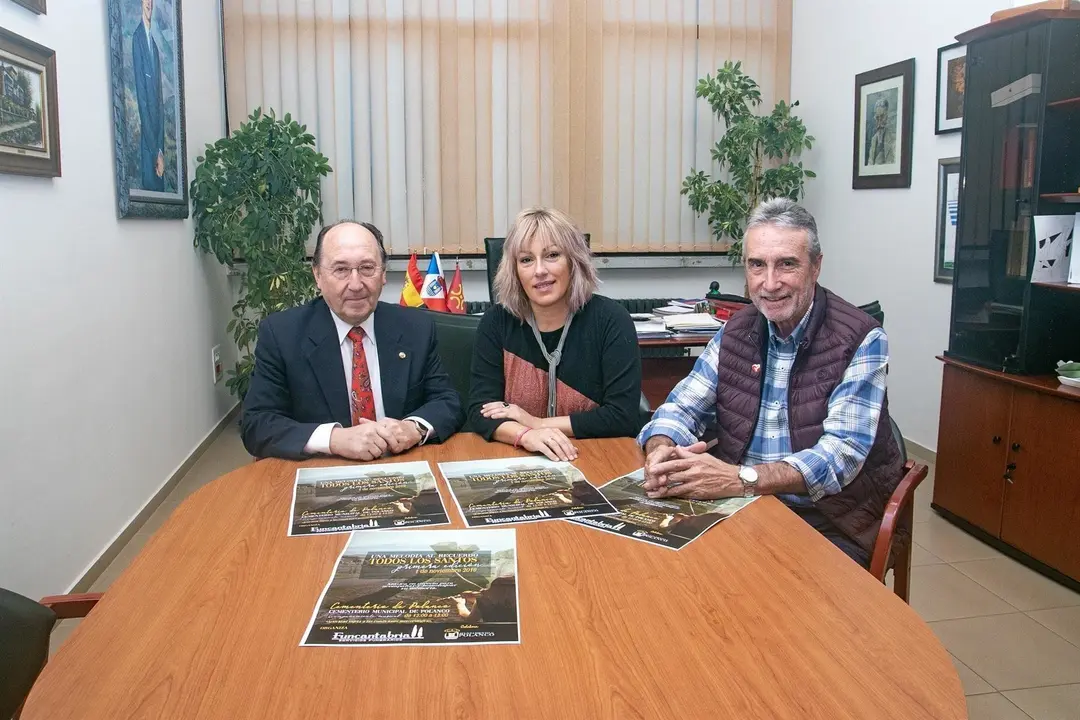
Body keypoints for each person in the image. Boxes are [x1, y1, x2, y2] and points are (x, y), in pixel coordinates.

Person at [638, 198, 903, 568]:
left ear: (816, 267)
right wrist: (660, 449)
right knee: (663, 576)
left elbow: (840, 456)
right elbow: (682, 406)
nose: (769, 283)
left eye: (787, 264)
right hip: (739, 505)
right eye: (757, 265)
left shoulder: (862, 338)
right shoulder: (737, 330)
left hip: (828, 518)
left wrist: (742, 479)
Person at [241, 220, 465, 460]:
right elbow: (257, 423)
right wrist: (335, 439)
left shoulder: (415, 327)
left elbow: (447, 401)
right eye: (341, 269)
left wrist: (413, 428)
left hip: (401, 467)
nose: (356, 284)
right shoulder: (282, 334)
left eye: (367, 268)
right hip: (322, 469)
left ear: (383, 274)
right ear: (317, 275)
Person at [468, 207, 644, 461]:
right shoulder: (497, 322)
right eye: (526, 259)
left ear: (574, 261)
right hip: (519, 458)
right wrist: (525, 435)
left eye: (552, 255)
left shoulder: (611, 320)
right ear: (514, 270)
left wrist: (537, 423)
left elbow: (622, 417)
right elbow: (480, 410)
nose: (539, 270)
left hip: (595, 456)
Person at [132, 0, 165, 192]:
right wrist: (155, 152)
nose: (149, 4)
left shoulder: (153, 43)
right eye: (145, 1)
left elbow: (159, 102)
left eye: (151, 1)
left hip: (157, 145)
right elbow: (143, 103)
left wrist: (160, 150)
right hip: (149, 145)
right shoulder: (138, 39)